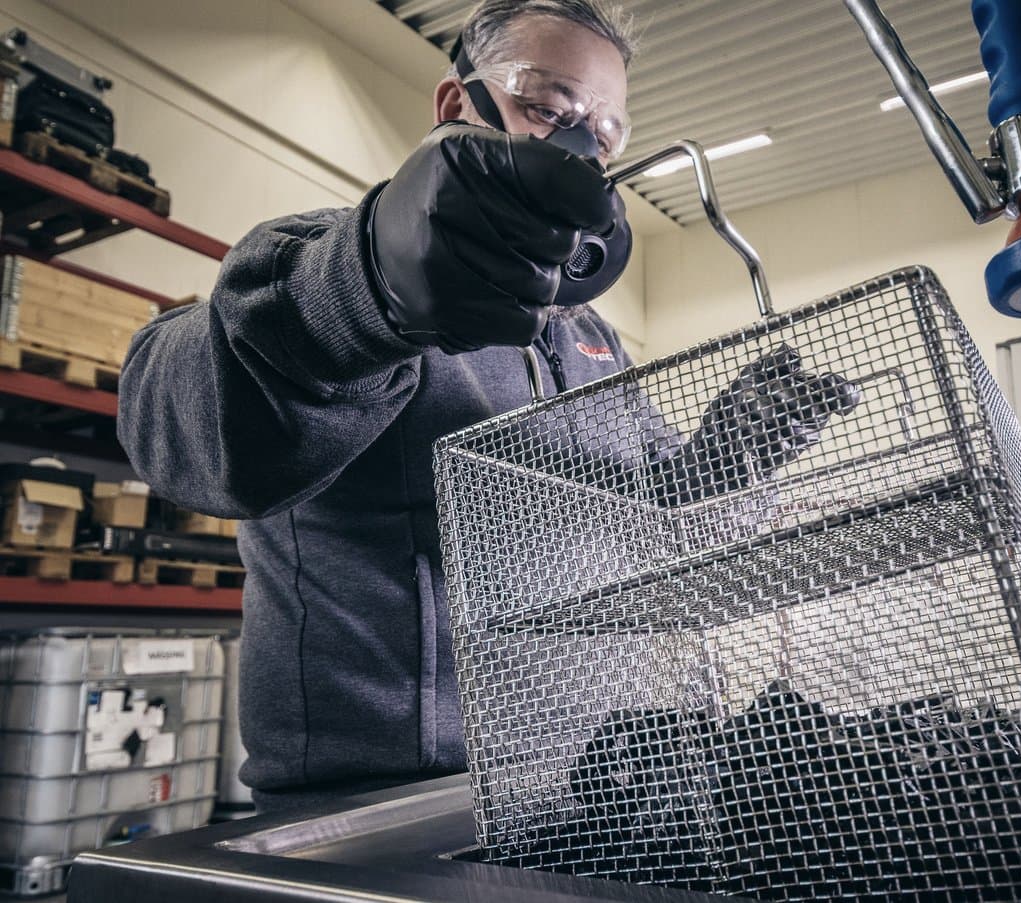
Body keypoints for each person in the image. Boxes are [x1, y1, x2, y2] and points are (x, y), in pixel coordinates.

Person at [119, 0, 857, 814]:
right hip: (391, 803)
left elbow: (649, 507)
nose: (578, 152)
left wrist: (717, 464)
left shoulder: (593, 340)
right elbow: (173, 419)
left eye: (603, 138)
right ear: (453, 106)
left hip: (596, 787)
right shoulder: (328, 260)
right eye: (545, 109)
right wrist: (368, 288)